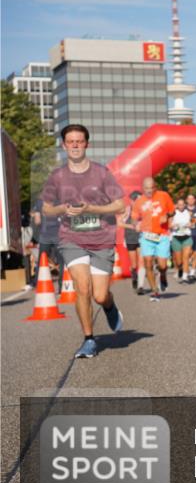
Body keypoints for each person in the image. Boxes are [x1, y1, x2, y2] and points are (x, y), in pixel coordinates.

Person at [40, 124, 125, 358]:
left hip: (102, 239)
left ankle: (109, 305)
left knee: (99, 295)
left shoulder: (101, 173)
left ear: (87, 144)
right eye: (71, 141)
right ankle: (89, 339)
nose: (75, 145)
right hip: (71, 238)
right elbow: (47, 209)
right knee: (82, 288)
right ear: (64, 145)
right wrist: (62, 209)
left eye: (79, 141)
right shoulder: (57, 176)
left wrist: (92, 209)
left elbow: (119, 205)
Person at [132, 177, 174, 302]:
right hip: (146, 236)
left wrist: (166, 215)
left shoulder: (164, 196)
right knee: (148, 262)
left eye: (151, 188)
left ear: (155, 187)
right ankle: (154, 290)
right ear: (143, 188)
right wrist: (136, 224)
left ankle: (163, 276)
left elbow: (173, 211)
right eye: (146, 188)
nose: (149, 191)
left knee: (162, 265)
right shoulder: (139, 201)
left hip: (162, 235)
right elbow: (134, 217)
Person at [31, 197, 61, 286]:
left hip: (45, 235)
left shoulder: (39, 202)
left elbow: (37, 221)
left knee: (42, 259)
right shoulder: (59, 200)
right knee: (61, 260)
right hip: (58, 234)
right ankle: (63, 284)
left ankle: (38, 282)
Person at [120, 191, 143, 291]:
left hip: (142, 237)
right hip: (130, 238)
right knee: (134, 265)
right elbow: (119, 223)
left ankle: (141, 285)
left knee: (142, 262)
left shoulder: (144, 210)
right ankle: (134, 277)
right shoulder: (127, 210)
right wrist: (131, 226)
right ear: (132, 201)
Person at [170, 196, 194, 283]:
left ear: (185, 205)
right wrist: (174, 226)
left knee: (186, 257)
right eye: (179, 204)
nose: (181, 206)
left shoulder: (189, 213)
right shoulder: (173, 213)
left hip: (186, 237)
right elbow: (169, 225)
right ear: (176, 205)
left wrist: (190, 224)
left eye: (182, 204)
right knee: (179, 261)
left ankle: (185, 276)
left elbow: (193, 223)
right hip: (176, 238)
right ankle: (180, 268)